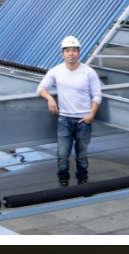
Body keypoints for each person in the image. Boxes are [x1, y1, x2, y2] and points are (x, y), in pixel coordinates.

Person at [37, 36, 103, 187]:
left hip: (83, 120)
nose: (70, 53)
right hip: (64, 119)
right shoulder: (56, 71)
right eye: (67, 51)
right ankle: (63, 178)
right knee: (62, 154)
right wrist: (50, 98)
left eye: (74, 50)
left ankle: (82, 178)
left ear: (79, 53)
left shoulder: (89, 72)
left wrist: (91, 115)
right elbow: (41, 88)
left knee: (82, 154)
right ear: (62, 54)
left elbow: (98, 95)